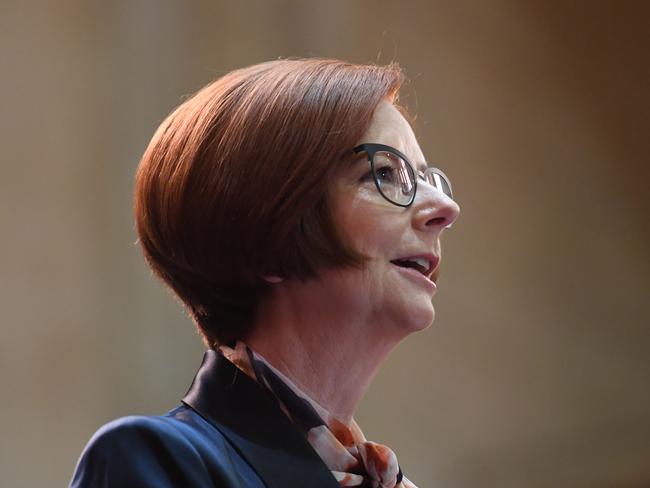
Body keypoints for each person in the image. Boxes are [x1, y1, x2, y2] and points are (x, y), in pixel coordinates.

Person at [70, 58, 459, 488]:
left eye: (428, 179)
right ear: (269, 232)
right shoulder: (160, 460)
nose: (445, 209)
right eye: (385, 173)